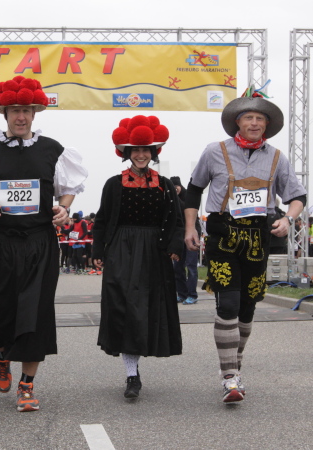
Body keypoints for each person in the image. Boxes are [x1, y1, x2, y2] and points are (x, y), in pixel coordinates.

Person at [0, 75, 88, 412]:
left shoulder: (52, 150)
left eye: (26, 110)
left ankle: (27, 385)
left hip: (39, 243)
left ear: (34, 113)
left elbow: (68, 188)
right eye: (15, 111)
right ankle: (2, 353)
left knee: (36, 313)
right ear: (5, 114)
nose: (21, 117)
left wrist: (64, 208)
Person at [184, 86, 306, 403]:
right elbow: (194, 190)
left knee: (247, 307)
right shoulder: (214, 151)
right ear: (237, 122)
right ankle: (230, 378)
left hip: (257, 237)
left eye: (259, 119)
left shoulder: (277, 158)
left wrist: (288, 219)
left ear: (267, 125)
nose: (254, 123)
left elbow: (297, 197)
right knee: (227, 303)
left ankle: (234, 366)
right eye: (248, 117)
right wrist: (190, 228)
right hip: (223, 234)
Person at [93, 115, 183, 399]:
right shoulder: (113, 184)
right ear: (127, 153)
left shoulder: (164, 185)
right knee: (125, 308)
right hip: (121, 250)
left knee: (145, 309)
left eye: (146, 150)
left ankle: (136, 365)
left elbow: (176, 220)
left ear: (153, 153)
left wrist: (174, 246)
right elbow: (102, 220)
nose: (141, 155)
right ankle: (132, 374)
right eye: (136, 150)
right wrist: (98, 250)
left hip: (154, 252)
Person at [170, 176, 201, 304]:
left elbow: (185, 209)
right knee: (177, 267)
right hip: (179, 237)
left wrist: (175, 198)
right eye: (172, 188)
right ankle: (181, 293)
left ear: (180, 186)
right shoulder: (171, 199)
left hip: (192, 235)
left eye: (176, 187)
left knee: (191, 266)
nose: (175, 189)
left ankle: (192, 295)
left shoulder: (188, 196)